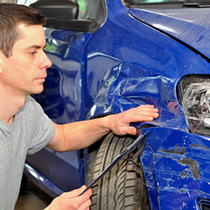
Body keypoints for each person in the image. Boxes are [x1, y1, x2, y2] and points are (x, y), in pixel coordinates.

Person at [0, 3, 159, 210]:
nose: (47, 61)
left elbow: (63, 137)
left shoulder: (26, 111)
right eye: (32, 52)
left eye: (43, 50)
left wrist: (110, 122)